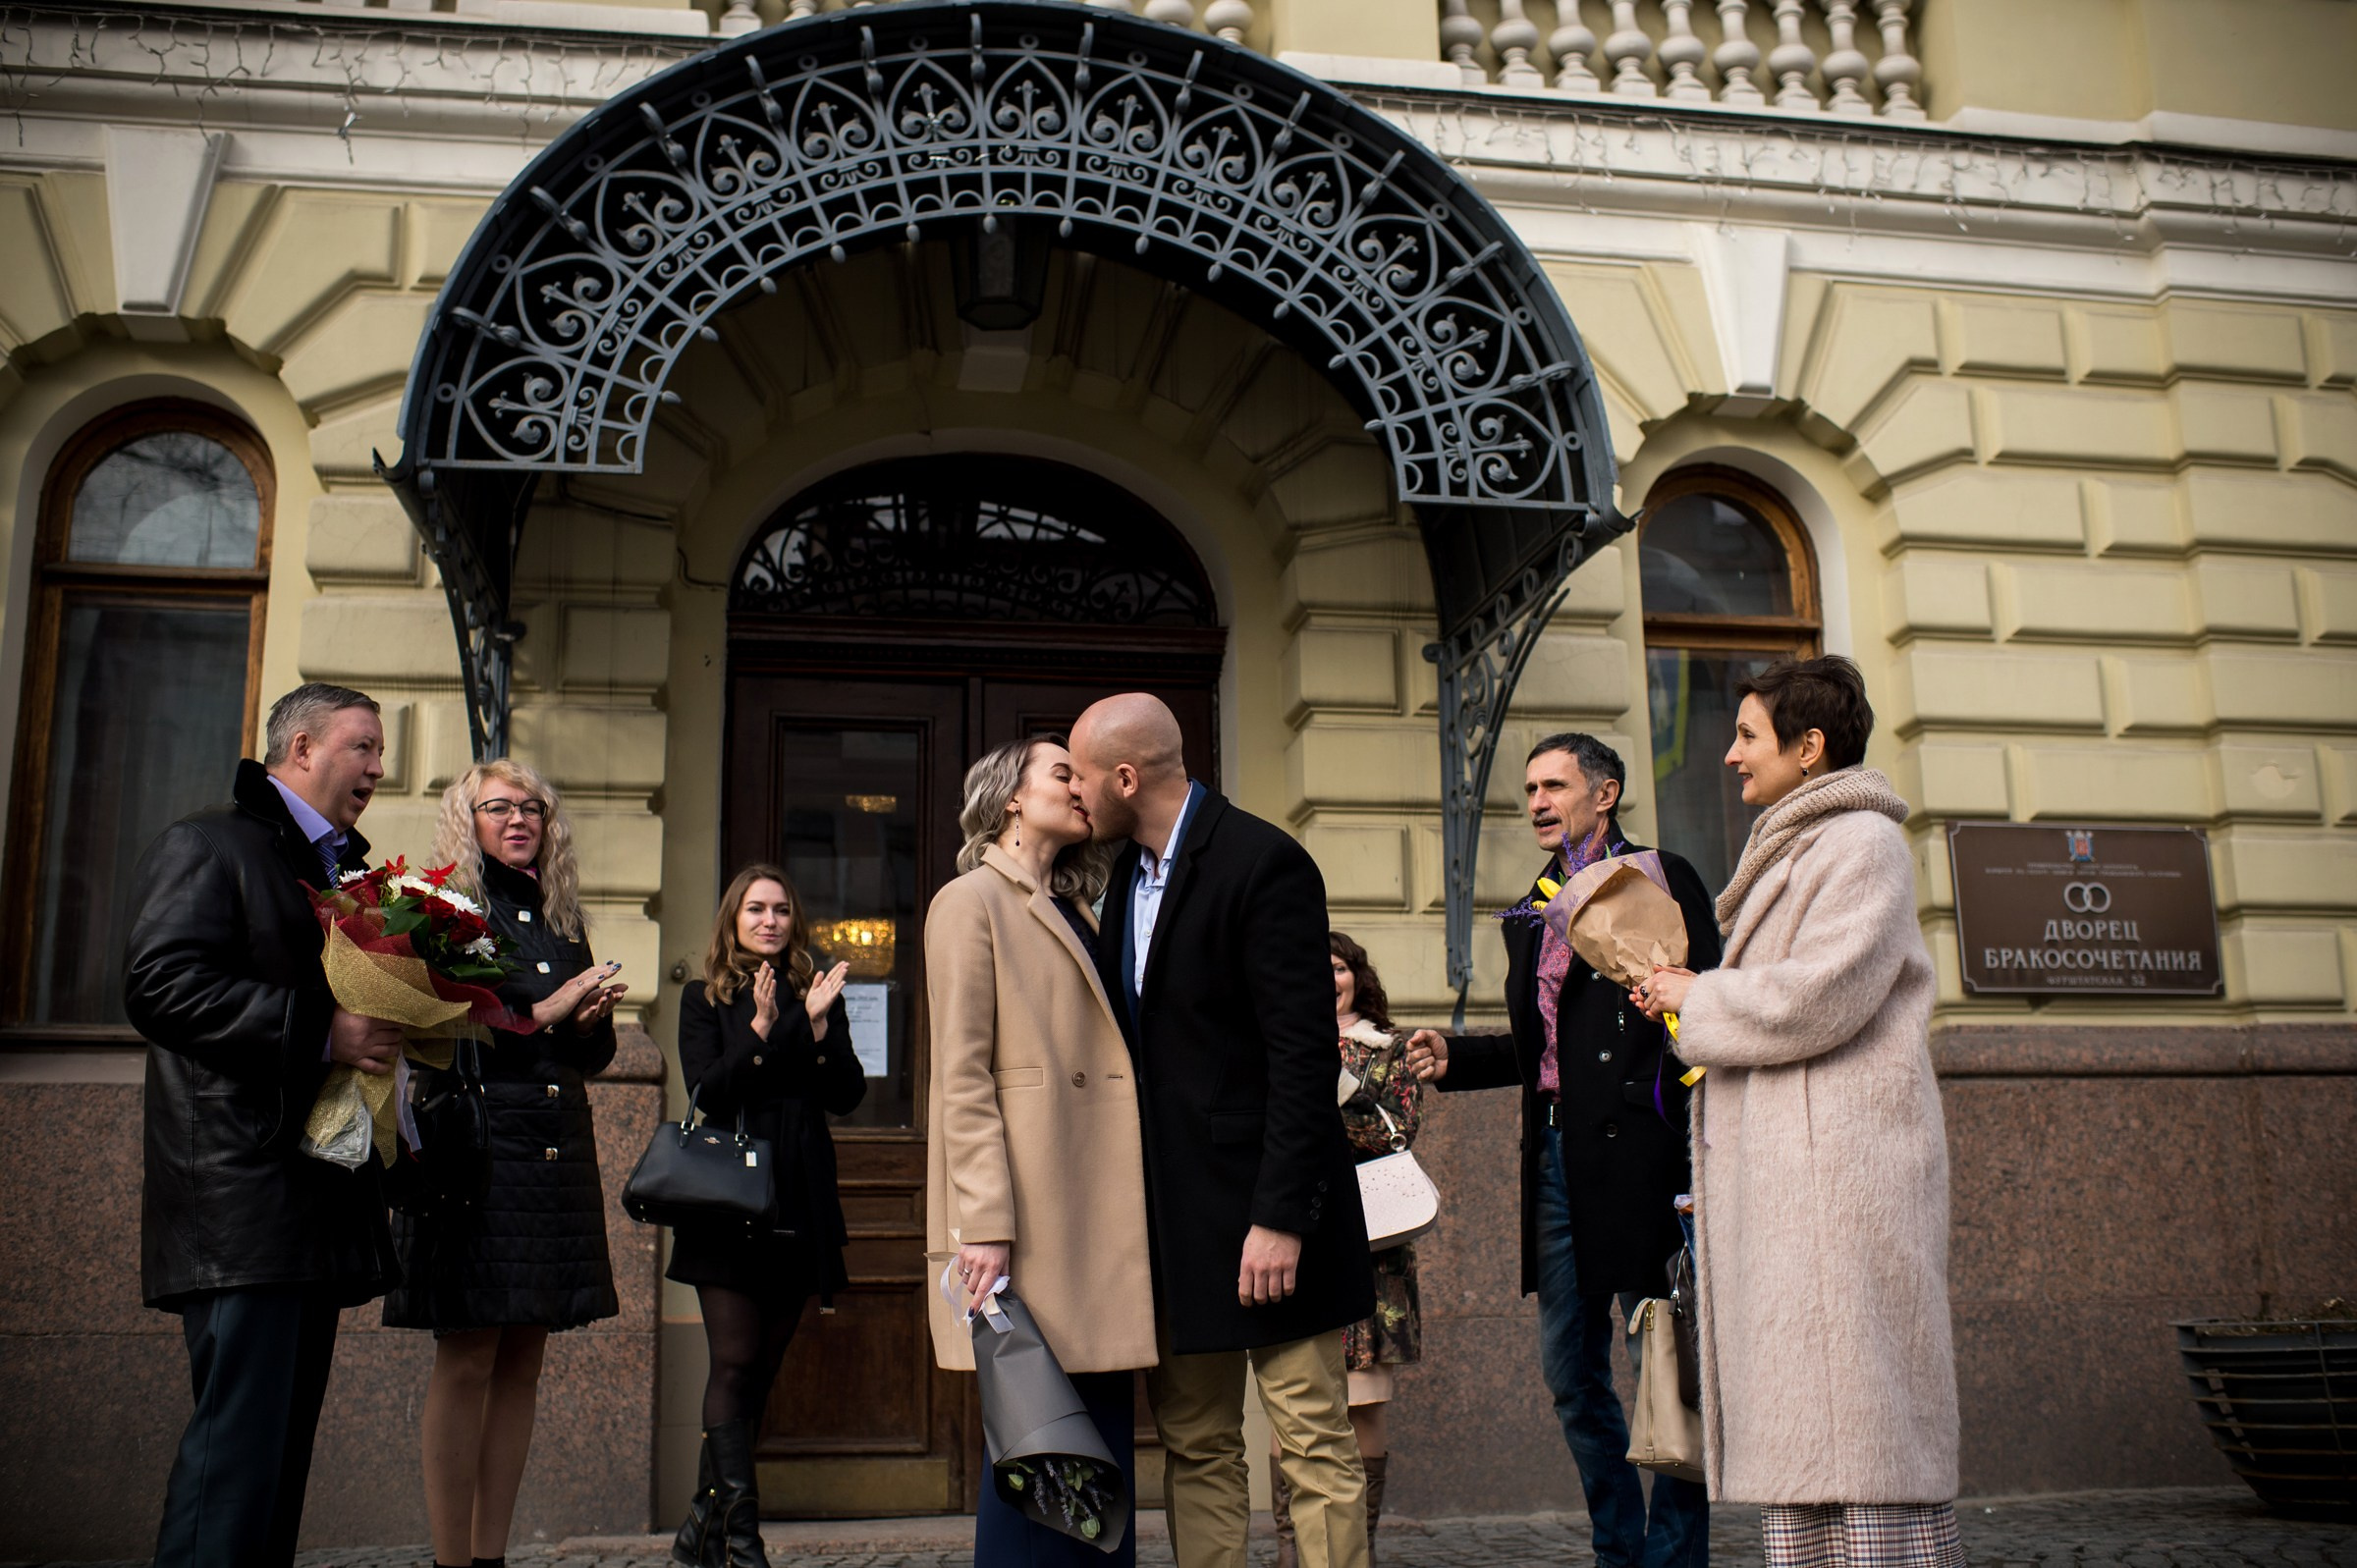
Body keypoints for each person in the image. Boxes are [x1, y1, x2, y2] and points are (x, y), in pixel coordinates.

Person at [1632, 656, 1962, 1568]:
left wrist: (1696, 997)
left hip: (1841, 1190)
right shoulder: (1802, 844)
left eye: (1748, 735)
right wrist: (1687, 997)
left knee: (1864, 1454)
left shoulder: (1860, 844)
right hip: (1801, 1188)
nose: (1731, 755)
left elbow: (1822, 995)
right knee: (1816, 1463)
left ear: (1808, 748)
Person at [1067, 692, 1375, 1568]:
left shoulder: (1263, 861)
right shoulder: (1123, 875)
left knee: (1312, 1444)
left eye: (1085, 776)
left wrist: (1280, 1217)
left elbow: (1304, 1057)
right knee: (1198, 1445)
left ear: (1127, 777)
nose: (1080, 794)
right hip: (1173, 1223)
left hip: (1273, 1216)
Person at [1404, 733, 1719, 1568]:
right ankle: (1620, 1543)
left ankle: (1674, 1555)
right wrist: (1456, 1056)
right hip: (1553, 1162)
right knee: (1571, 1375)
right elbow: (1543, 1046)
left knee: (1664, 1366)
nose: (1537, 800)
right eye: (1530, 786)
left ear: (1605, 793)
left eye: (1555, 785)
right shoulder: (1533, 905)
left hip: (1644, 1159)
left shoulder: (1656, 875)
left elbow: (1712, 1004)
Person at [124, 682, 404, 1568]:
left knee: (276, 1467)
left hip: (309, 1201)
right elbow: (160, 985)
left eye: (379, 749)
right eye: (362, 746)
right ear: (301, 749)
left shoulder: (341, 872)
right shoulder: (211, 844)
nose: (377, 767)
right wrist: (323, 1030)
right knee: (233, 1470)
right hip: (240, 1204)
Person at [384, 758, 628, 1568]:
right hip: (481, 1152)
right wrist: (542, 1009)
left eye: (533, 808)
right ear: (469, 816)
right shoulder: (441, 906)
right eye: (500, 807)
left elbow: (587, 1054)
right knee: (469, 1355)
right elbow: (439, 1023)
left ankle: (491, 1557)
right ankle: (453, 1559)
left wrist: (588, 1020)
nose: (520, 819)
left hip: (555, 1150)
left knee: (525, 1354)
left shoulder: (559, 914)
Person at [923, 734, 1155, 1568]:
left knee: (1095, 1448)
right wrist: (982, 1220)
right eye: (1062, 772)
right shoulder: (970, 900)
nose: (1080, 786)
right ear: (1011, 796)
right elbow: (962, 1075)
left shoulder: (1079, 906)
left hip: (1093, 1221)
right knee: (1037, 1447)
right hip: (1027, 1226)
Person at [665, 864, 861, 1568]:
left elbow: (846, 1093)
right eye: (756, 908)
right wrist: (756, 1029)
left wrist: (812, 1025)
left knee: (763, 1372)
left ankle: (702, 1535)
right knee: (736, 1360)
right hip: (727, 1202)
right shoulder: (702, 998)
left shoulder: (817, 996)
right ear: (733, 919)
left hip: (798, 1198)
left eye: (781, 909)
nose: (770, 920)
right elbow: (709, 1093)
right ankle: (743, 1544)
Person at [1268, 933, 1424, 1568]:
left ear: (1358, 977)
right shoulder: (1276, 1037)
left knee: (1361, 1407)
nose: (1328, 978)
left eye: (1338, 967)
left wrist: (1325, 1078)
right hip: (1293, 1246)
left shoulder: (1389, 1050)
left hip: (1372, 1258)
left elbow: (1393, 1131)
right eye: (1316, 966)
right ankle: (1292, 1551)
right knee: (1291, 1406)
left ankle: (1355, 1548)